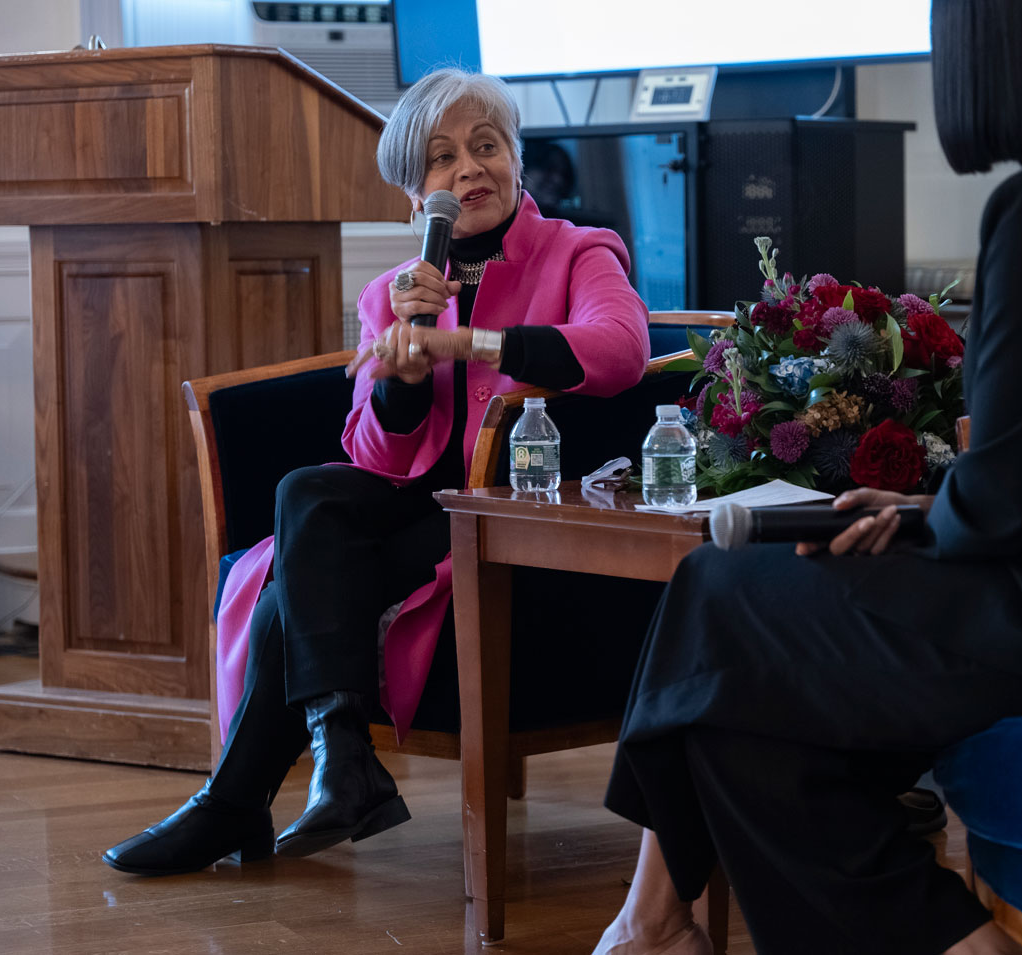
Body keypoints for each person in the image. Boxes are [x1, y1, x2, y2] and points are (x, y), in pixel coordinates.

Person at [592, 0, 1022, 955]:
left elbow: (1005, 501)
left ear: (996, 54)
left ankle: (652, 922)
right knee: (745, 723)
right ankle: (917, 940)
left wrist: (934, 519)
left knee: (714, 593)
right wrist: (925, 507)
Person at [104, 68, 651, 876]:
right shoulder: (390, 296)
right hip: (422, 502)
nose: (470, 169)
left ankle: (245, 798)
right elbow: (376, 458)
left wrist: (471, 344)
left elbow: (623, 348)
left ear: (516, 157)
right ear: (415, 195)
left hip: (518, 509)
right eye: (442, 158)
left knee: (292, 591)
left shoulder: (579, 251)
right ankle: (341, 753)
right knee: (307, 491)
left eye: (487, 146)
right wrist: (403, 377)